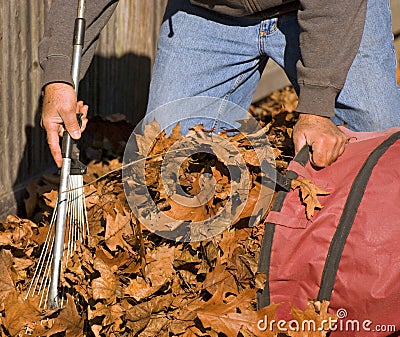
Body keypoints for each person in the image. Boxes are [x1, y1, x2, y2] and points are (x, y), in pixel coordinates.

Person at [39, 0, 400, 168]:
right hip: (208, 13)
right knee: (167, 161)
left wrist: (317, 104)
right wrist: (58, 77)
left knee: (377, 139)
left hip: (328, 7)